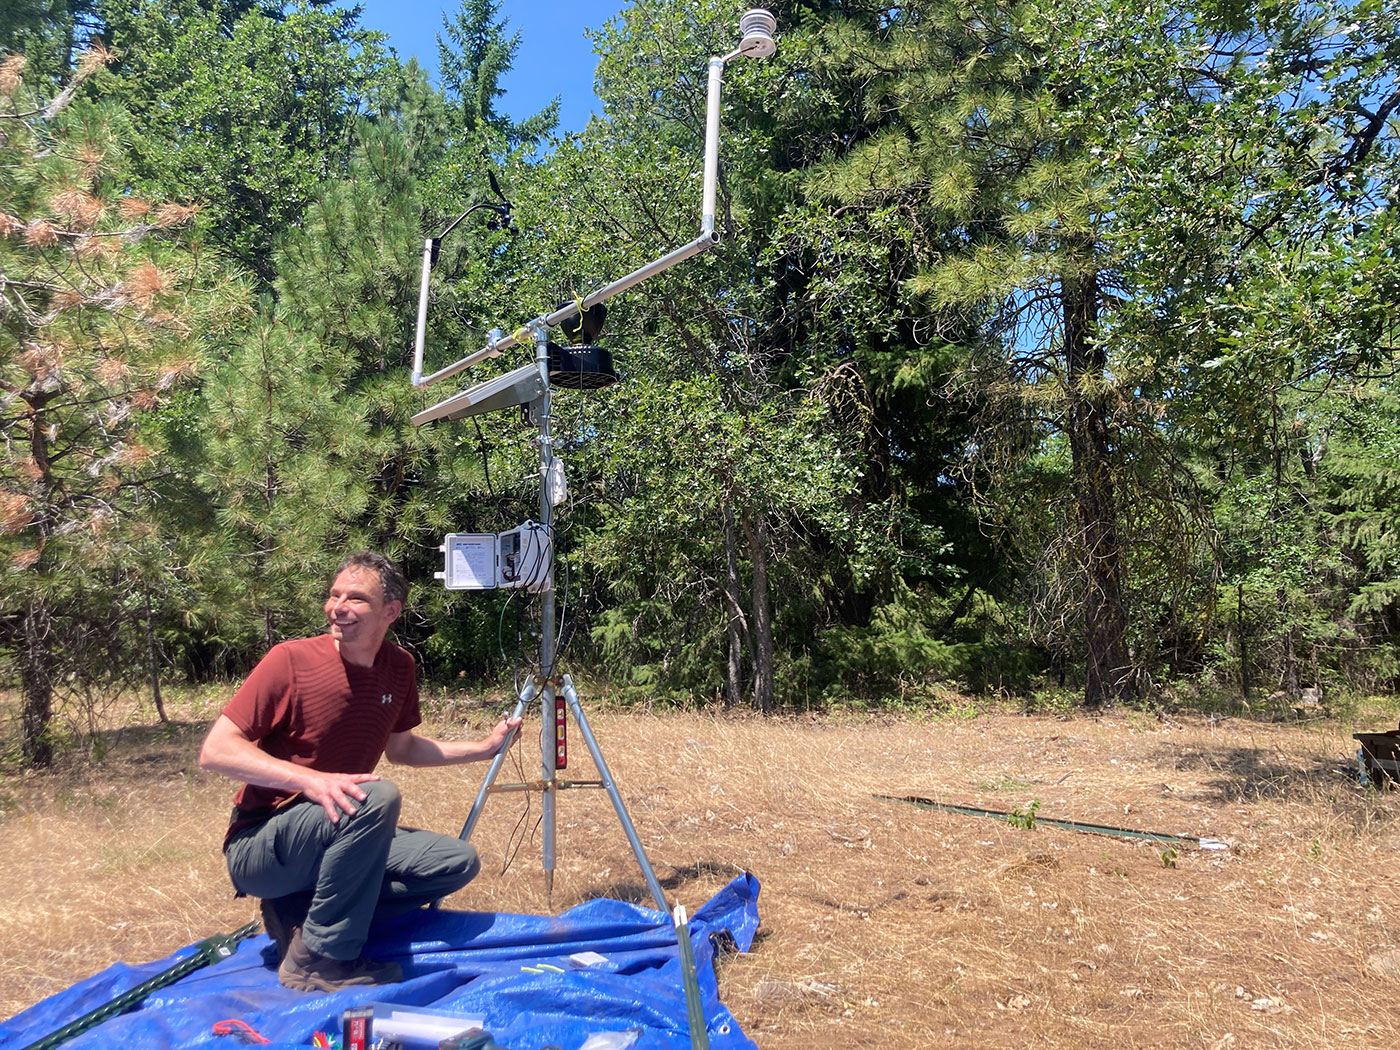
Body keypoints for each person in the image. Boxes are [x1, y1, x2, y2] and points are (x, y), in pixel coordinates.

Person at [198, 550, 519, 993]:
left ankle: (302, 913)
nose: (338, 607)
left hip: (337, 829)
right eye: (334, 595)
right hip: (261, 845)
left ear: (391, 611)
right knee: (377, 798)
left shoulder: (399, 668)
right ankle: (319, 961)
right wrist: (311, 780)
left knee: (454, 863)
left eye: (356, 598)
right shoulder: (289, 660)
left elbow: (403, 748)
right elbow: (216, 751)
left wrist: (482, 749)